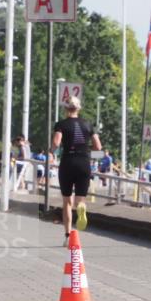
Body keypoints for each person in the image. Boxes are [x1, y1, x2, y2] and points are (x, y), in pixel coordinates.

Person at [52, 95, 102, 246]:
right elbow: (98, 147)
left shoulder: (61, 124)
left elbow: (56, 142)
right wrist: (88, 152)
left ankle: (68, 236)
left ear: (66, 108)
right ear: (79, 109)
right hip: (84, 163)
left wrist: (51, 151)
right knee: (80, 199)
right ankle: (81, 207)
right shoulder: (87, 124)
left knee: (67, 201)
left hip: (68, 162)